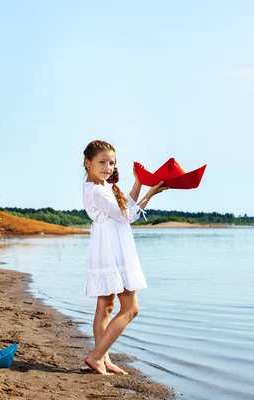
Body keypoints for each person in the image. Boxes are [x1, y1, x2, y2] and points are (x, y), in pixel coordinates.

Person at [82, 140, 167, 375]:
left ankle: (103, 359)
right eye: (102, 162)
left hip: (106, 244)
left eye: (111, 163)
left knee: (106, 304)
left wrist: (139, 183)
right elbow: (128, 215)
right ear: (88, 162)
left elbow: (124, 205)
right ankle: (96, 356)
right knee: (130, 308)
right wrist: (151, 193)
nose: (107, 167)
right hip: (113, 247)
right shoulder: (97, 191)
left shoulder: (100, 188)